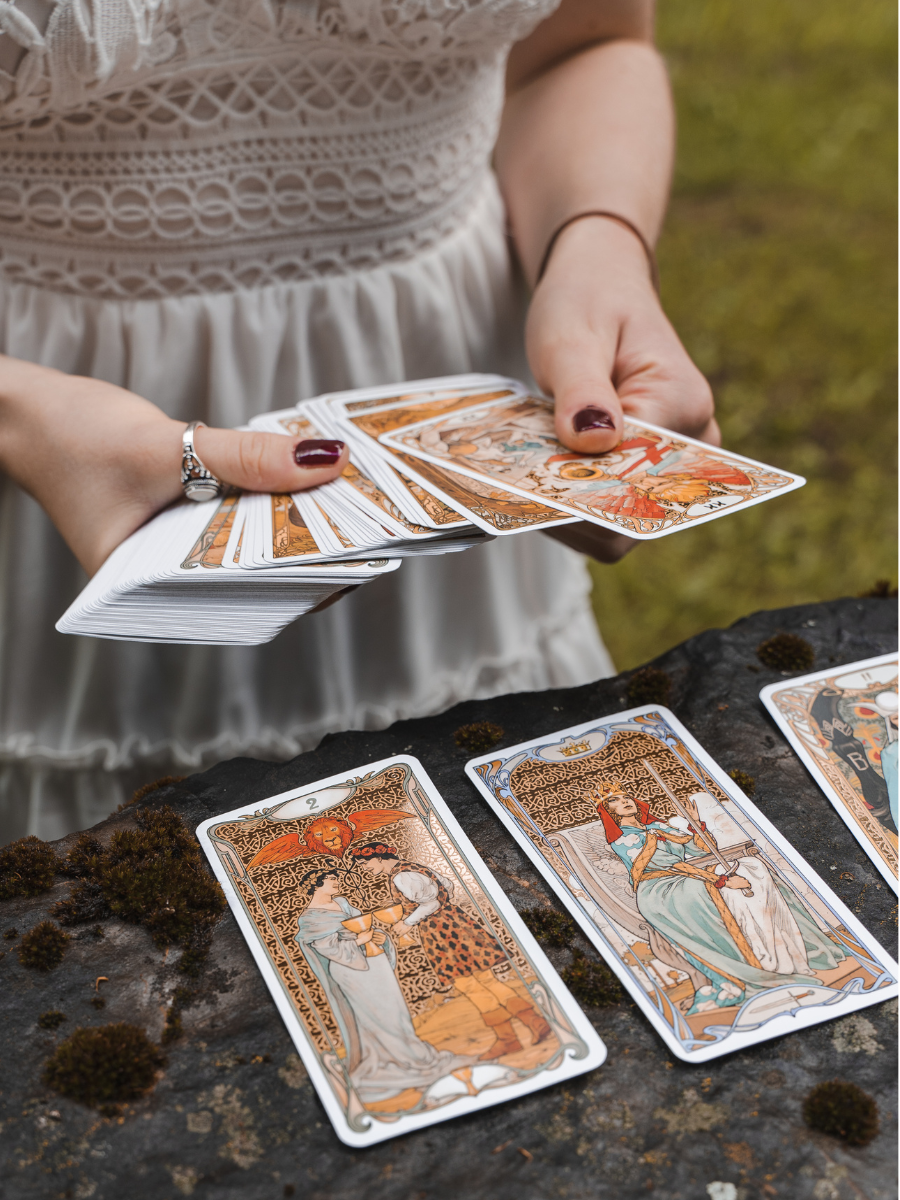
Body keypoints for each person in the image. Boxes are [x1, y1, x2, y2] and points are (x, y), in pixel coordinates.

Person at [0, 0, 716, 840]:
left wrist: (598, 250)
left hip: (440, 418)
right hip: (48, 442)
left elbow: (585, 46)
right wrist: (20, 415)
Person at [593, 782, 848, 1016]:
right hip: (660, 890)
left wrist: (693, 824)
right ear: (610, 811)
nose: (625, 801)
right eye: (615, 800)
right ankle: (750, 968)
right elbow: (669, 866)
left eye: (627, 796)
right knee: (723, 887)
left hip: (686, 877)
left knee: (752, 867)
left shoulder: (658, 827)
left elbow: (698, 850)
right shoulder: (623, 839)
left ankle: (782, 954)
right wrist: (722, 880)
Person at [350, 841, 551, 1057]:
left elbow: (431, 904)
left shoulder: (401, 877)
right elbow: (448, 885)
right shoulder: (414, 867)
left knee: (469, 984)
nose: (365, 868)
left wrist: (406, 923)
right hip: (455, 922)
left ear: (379, 857)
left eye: (364, 863)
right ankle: (534, 1023)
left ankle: (510, 1038)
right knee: (486, 980)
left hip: (440, 930)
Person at [293, 868, 469, 1102]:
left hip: (373, 961)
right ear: (315, 885)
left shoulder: (343, 903)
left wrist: (378, 937)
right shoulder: (309, 918)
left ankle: (417, 1055)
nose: (337, 882)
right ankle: (396, 1061)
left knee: (396, 1010)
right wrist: (358, 940)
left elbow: (364, 926)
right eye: (331, 880)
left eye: (336, 878)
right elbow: (327, 947)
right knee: (375, 1015)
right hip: (350, 969)